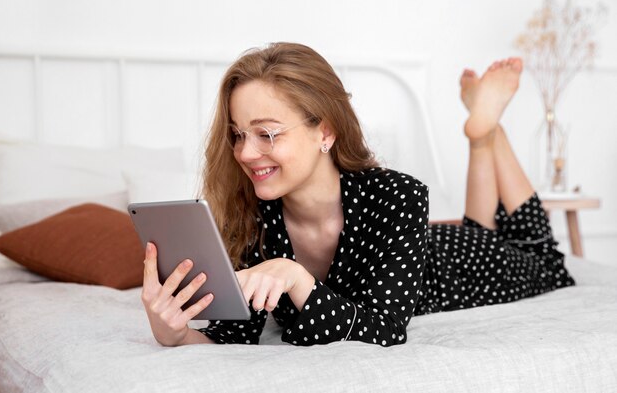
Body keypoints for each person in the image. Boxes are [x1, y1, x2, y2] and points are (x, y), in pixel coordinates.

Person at [140, 43, 575, 347]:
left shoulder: (398, 195)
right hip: (424, 249)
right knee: (484, 226)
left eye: (267, 134)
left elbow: (385, 330)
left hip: (456, 262)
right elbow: (235, 335)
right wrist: (175, 332)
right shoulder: (251, 214)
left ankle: (486, 135)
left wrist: (293, 275)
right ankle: (482, 136)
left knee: (544, 260)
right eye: (237, 135)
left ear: (325, 132)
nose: (245, 153)